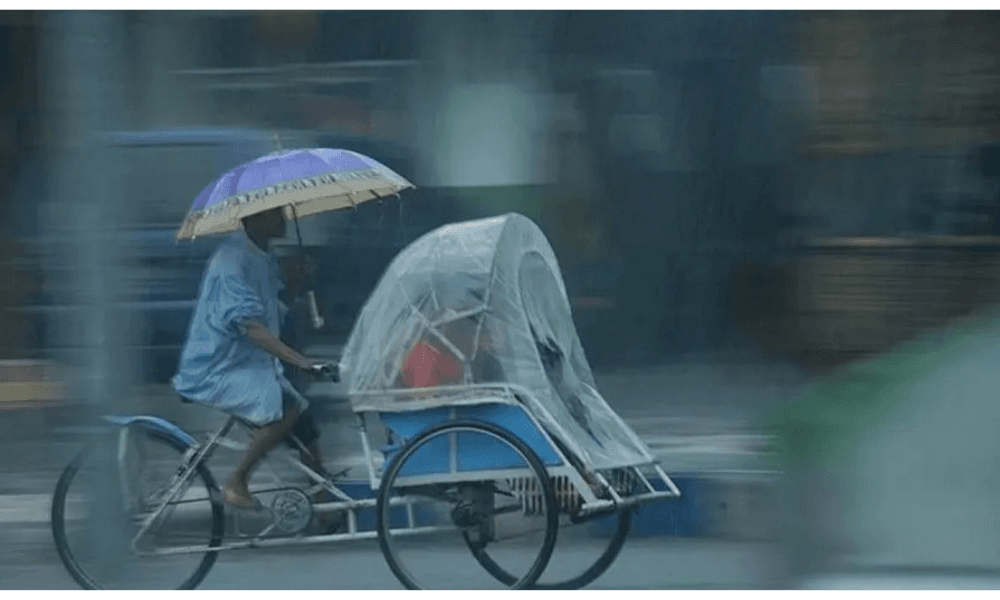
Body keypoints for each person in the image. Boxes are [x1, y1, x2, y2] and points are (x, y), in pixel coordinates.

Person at [172, 206, 336, 510]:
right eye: (274, 214)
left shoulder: (261, 257)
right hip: (218, 366)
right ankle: (237, 480)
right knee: (285, 410)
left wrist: (298, 276)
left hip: (249, 364)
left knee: (303, 420)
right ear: (254, 219)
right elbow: (251, 327)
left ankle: (323, 500)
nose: (283, 219)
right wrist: (300, 361)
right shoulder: (232, 261)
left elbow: (273, 304)